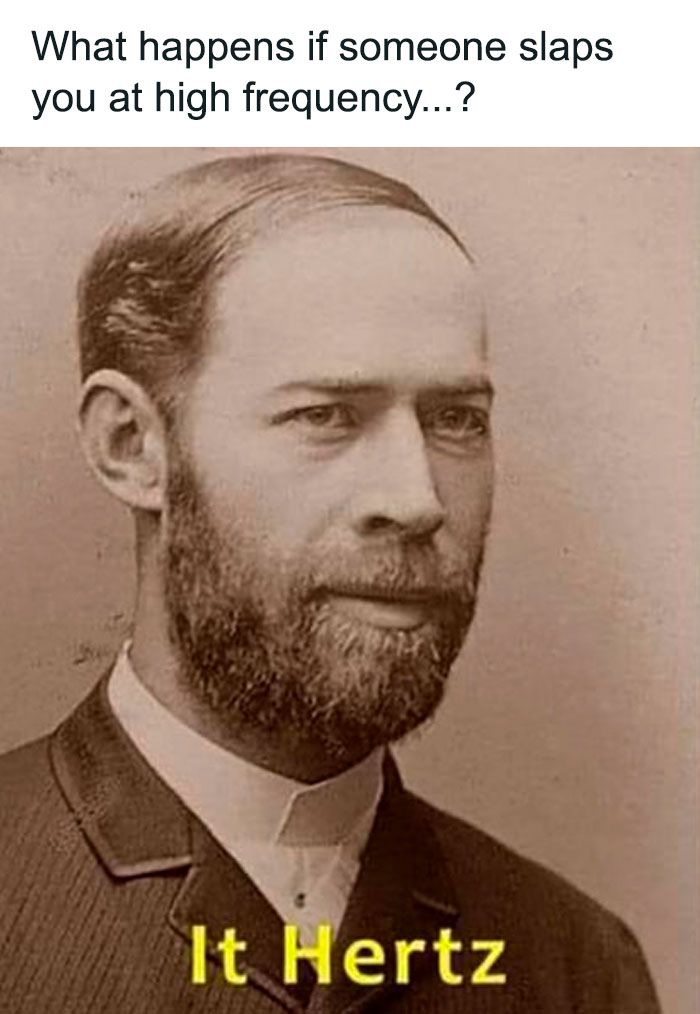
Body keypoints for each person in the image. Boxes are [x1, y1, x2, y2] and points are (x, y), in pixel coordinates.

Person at [0, 154, 660, 1012]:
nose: (417, 500)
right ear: (132, 446)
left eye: (456, 420)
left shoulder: (575, 964)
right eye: (326, 416)